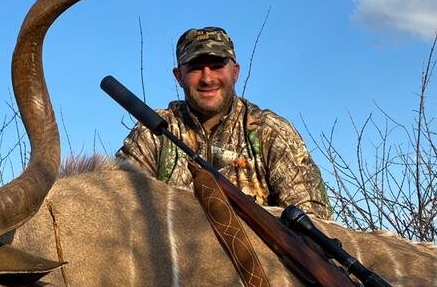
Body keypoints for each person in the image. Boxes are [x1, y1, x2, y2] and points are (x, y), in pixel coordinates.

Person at [116, 26, 332, 219]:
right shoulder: (154, 131)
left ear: (235, 72)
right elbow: (120, 206)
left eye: (217, 65)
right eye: (195, 67)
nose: (207, 78)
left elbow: (313, 221)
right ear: (179, 76)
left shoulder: (270, 132)